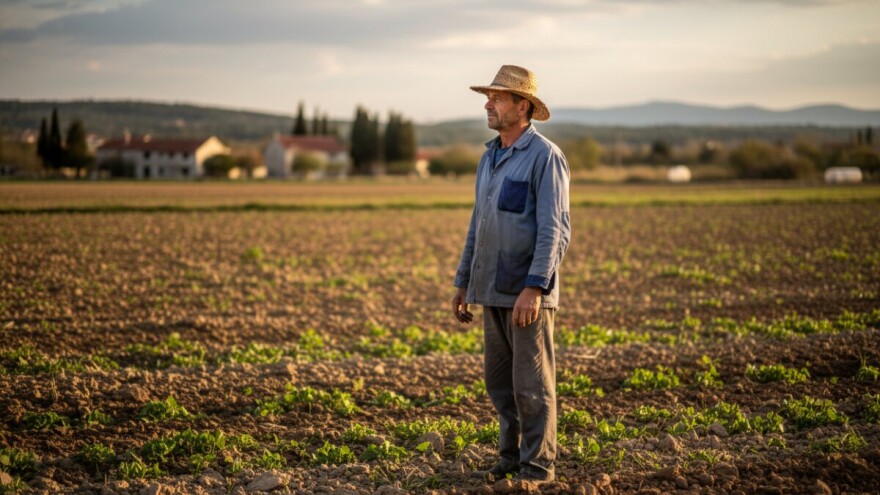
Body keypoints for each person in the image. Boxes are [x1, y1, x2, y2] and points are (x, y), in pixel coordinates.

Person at [452, 65, 571, 483]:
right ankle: (509, 459)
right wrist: (463, 280)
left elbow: (554, 230)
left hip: (525, 293)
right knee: (500, 385)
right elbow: (478, 223)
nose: (488, 103)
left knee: (532, 387)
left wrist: (535, 287)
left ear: (523, 107)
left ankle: (538, 469)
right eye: (489, 97)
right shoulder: (490, 156)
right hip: (490, 288)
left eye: (498, 98)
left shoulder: (545, 157)